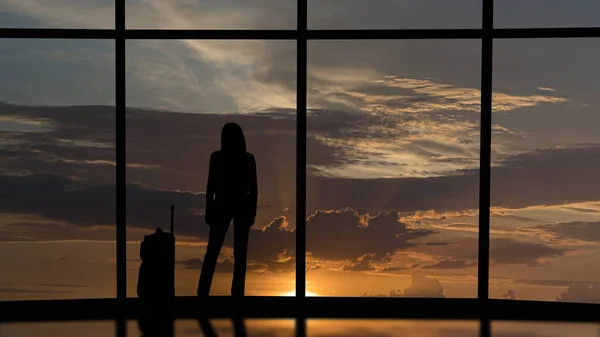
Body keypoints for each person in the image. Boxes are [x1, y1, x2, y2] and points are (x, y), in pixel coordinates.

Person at [197, 122, 258, 297]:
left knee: (236, 253)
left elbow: (253, 188)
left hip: (236, 206)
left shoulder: (246, 159)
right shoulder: (218, 157)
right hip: (225, 205)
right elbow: (210, 186)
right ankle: (204, 293)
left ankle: (231, 294)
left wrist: (252, 211)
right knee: (216, 251)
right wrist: (209, 209)